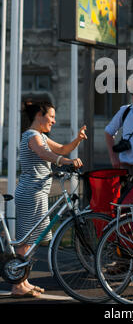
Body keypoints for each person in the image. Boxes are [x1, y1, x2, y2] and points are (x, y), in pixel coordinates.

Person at [12, 101, 86, 298]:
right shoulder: (32, 136)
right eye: (51, 116)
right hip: (31, 192)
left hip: (37, 192)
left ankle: (24, 281)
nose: (53, 120)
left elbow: (61, 148)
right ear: (39, 115)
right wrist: (66, 162)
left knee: (32, 240)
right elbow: (44, 153)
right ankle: (17, 285)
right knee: (26, 241)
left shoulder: (41, 136)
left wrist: (77, 139)